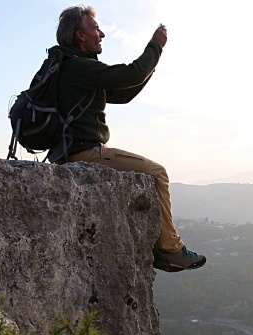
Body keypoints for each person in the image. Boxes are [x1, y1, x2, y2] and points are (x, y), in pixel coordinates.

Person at [49, 5, 205, 272]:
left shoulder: (70, 66)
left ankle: (165, 247)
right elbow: (127, 76)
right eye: (95, 29)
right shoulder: (78, 67)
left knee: (155, 171)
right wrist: (155, 47)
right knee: (157, 172)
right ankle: (170, 249)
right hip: (85, 153)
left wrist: (149, 66)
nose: (102, 34)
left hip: (70, 151)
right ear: (80, 36)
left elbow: (123, 93)